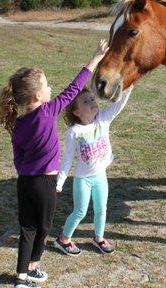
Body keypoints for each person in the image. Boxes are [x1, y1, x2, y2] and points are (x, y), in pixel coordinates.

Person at [0, 40, 108, 288]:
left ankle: (21, 278)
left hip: (25, 183)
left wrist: (26, 173)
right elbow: (74, 87)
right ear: (38, 95)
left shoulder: (18, 123)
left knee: (27, 229)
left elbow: (18, 157)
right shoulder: (48, 111)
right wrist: (96, 58)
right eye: (47, 85)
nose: (51, 88)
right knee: (43, 227)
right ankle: (33, 266)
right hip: (45, 184)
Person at [54, 85, 133, 256]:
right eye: (85, 101)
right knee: (80, 211)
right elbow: (67, 159)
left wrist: (127, 89)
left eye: (92, 99)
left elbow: (118, 106)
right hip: (83, 179)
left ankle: (99, 238)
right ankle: (63, 239)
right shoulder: (74, 132)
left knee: (101, 209)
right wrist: (59, 182)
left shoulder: (103, 119)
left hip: (100, 176)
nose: (91, 102)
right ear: (76, 112)